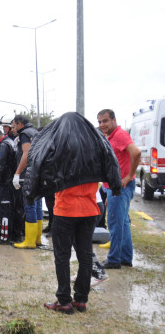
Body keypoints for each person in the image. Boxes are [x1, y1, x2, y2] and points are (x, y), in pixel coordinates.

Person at [22, 112, 121, 314]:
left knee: (62, 257)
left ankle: (64, 301)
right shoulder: (95, 146)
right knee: (85, 256)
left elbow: (38, 164)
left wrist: (31, 193)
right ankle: (81, 300)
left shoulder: (59, 148)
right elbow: (112, 165)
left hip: (66, 211)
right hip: (90, 210)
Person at [97, 109, 140, 269]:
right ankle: (125, 258)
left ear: (114, 120)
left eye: (105, 121)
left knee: (115, 223)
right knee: (123, 223)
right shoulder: (111, 136)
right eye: (100, 122)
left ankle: (114, 260)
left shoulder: (120, 135)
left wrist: (129, 176)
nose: (102, 124)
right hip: (113, 187)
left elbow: (136, 152)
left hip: (120, 187)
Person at [11, 115, 42, 249]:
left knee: (30, 206)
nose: (12, 129)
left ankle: (29, 241)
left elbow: (26, 153)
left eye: (13, 126)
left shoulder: (24, 134)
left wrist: (17, 173)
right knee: (38, 206)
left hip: (27, 175)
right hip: (38, 173)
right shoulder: (35, 132)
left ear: (19, 124)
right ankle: (37, 239)